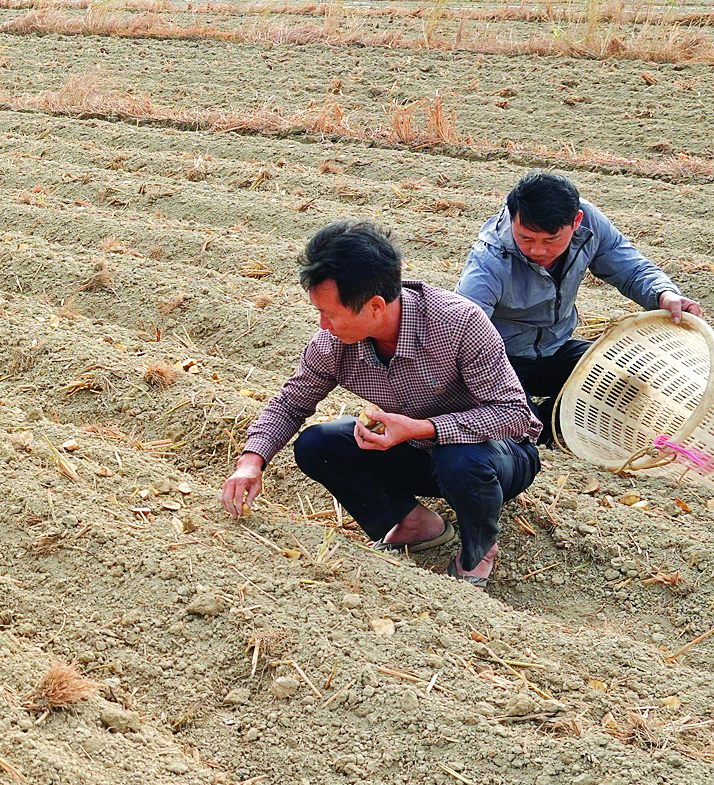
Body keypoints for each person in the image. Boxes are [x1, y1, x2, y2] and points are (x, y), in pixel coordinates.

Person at [222, 220, 539, 586]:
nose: (323, 325)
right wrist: (251, 461)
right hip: (417, 451)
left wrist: (425, 428)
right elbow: (290, 403)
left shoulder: (460, 323)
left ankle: (479, 548)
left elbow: (514, 416)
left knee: (458, 456)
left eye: (331, 314)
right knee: (316, 444)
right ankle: (415, 523)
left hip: (496, 457)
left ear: (374, 306)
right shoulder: (333, 347)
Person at [456, 172, 702, 443]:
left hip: (557, 348)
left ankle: (551, 422)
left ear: (576, 222)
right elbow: (463, 332)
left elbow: (630, 268)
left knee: (629, 378)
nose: (538, 250)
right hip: (502, 360)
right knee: (513, 424)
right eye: (526, 238)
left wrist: (664, 295)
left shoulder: (590, 223)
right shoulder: (489, 260)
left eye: (551, 240)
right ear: (512, 218)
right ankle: (534, 422)